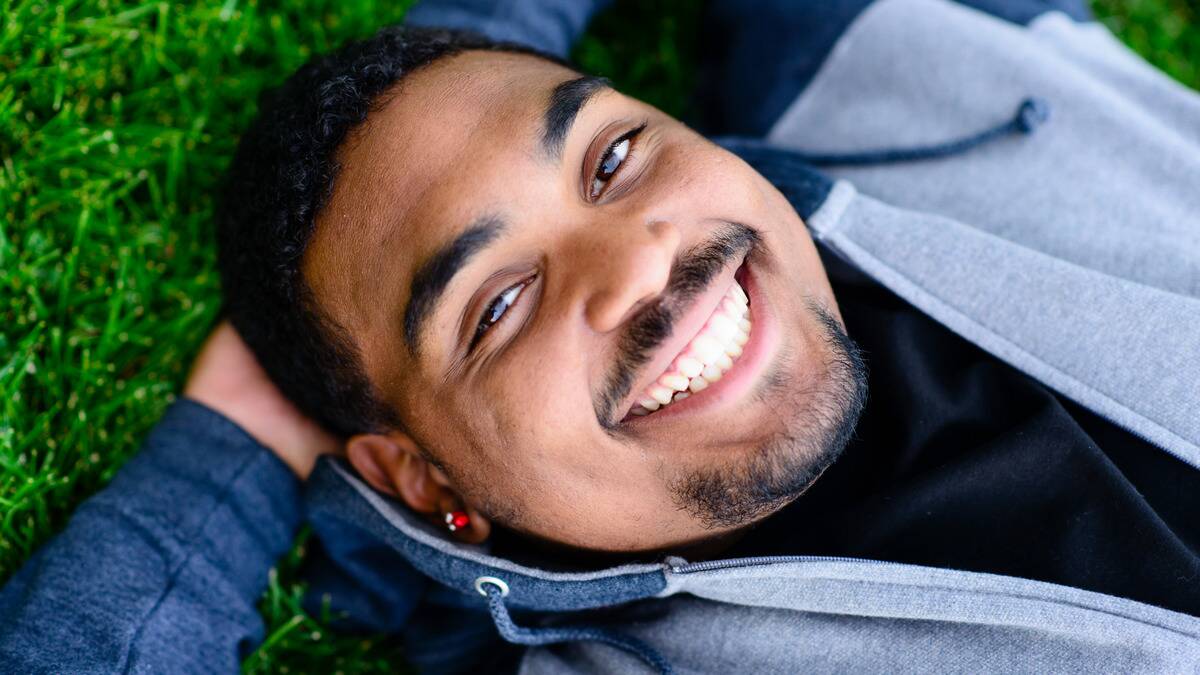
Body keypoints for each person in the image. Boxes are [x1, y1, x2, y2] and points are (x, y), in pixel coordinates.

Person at [3, 0, 1200, 672]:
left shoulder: (884, 61)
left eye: (613, 155)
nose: (635, 260)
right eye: (496, 306)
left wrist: (471, 46)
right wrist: (233, 446)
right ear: (419, 474)